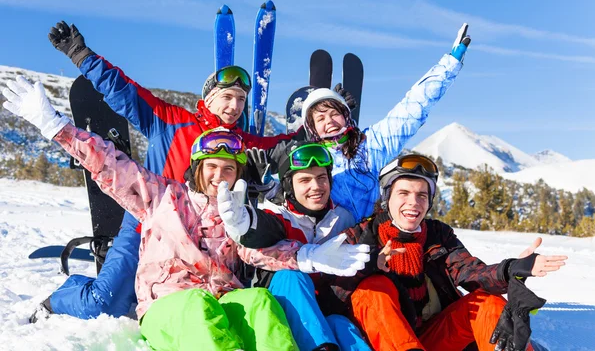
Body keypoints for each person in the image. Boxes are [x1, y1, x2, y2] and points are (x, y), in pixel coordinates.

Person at [2, 76, 370, 350]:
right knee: (196, 306)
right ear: (196, 168)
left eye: (229, 169)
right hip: (170, 306)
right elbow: (110, 165)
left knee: (258, 300)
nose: (220, 175)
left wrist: (306, 256)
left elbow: (256, 252)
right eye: (212, 166)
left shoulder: (235, 213)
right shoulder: (161, 196)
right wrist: (55, 126)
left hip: (223, 300)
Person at [39, 21, 298, 320]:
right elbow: (122, 91)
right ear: (209, 98)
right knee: (103, 304)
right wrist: (80, 54)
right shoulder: (171, 121)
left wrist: (327, 119)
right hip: (145, 224)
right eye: (227, 96)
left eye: (241, 99)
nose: (235, 105)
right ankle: (60, 298)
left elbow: (288, 146)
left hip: (205, 243)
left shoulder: (243, 144)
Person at [319, 154, 567, 351]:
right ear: (387, 198)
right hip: (379, 341)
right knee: (373, 288)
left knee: (487, 303)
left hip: (434, 337)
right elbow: (332, 295)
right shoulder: (360, 235)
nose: (413, 203)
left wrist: (510, 268)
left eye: (422, 195)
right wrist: (369, 264)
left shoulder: (437, 234)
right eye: (403, 193)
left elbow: (469, 272)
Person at [296, 24, 471, 222]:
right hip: (331, 242)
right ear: (313, 127)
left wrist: (450, 64)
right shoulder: (312, 159)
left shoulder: (372, 144)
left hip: (375, 235)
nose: (329, 121)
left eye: (334, 113)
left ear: (346, 115)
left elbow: (412, 109)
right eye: (320, 118)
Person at [218, 142, 373, 351]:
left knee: (341, 324)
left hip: (326, 307)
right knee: (291, 277)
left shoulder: (343, 218)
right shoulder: (281, 214)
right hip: (285, 308)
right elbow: (265, 229)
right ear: (289, 185)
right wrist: (246, 224)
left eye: (321, 178)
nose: (316, 187)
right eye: (305, 180)